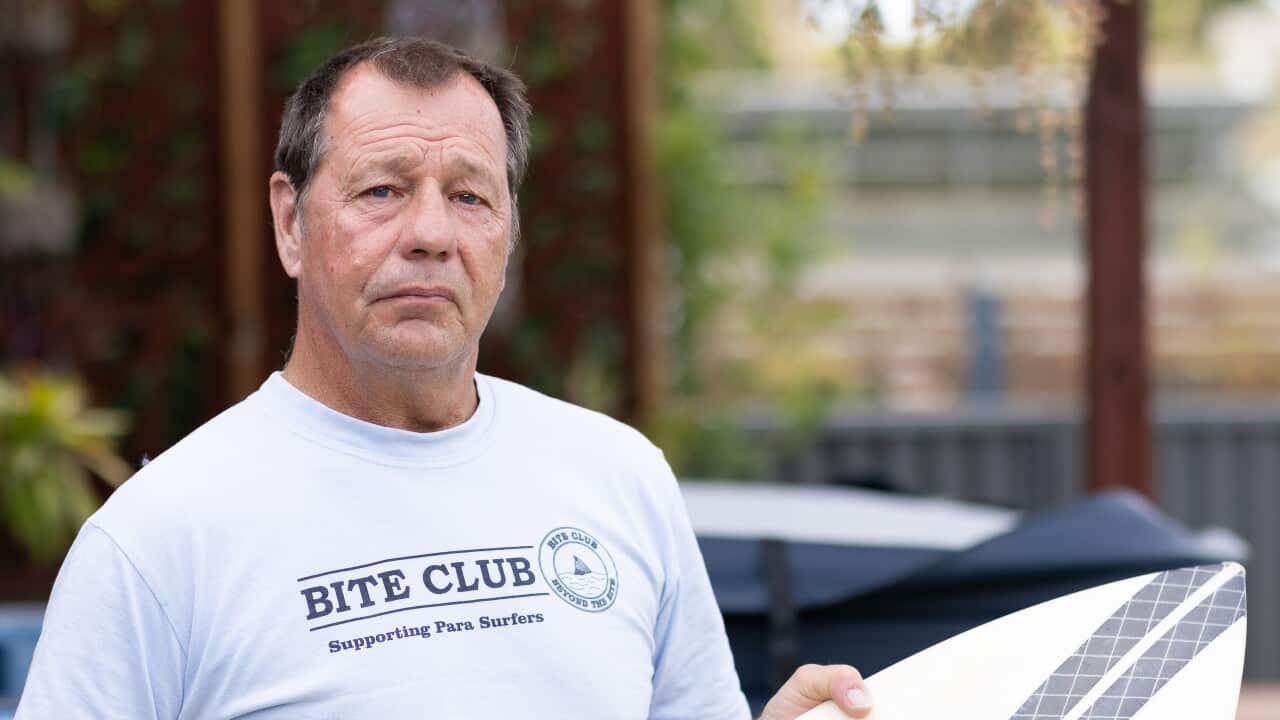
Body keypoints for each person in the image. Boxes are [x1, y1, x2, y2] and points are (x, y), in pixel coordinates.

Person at [16, 37, 873, 720]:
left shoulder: (621, 477)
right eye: (383, 190)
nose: (431, 233)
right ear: (289, 222)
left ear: (507, 231)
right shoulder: (157, 541)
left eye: (469, 197)